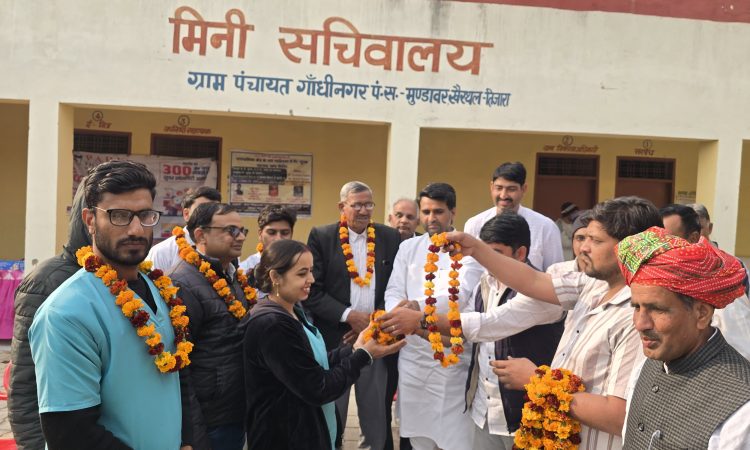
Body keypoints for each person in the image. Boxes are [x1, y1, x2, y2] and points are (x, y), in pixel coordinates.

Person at [384, 196, 661, 450]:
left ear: (630, 248)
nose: (583, 248)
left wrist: (537, 381)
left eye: (595, 241)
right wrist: (475, 249)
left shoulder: (637, 315)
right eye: (583, 237)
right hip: (531, 425)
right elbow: (533, 280)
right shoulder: (592, 285)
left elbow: (620, 415)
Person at [28, 160, 190, 449]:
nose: (136, 229)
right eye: (120, 216)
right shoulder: (66, 313)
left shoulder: (160, 289)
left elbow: (178, 384)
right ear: (90, 220)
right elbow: (71, 434)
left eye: (145, 215)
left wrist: (188, 440)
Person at [244, 239, 406, 450]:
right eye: (302, 273)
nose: (311, 279)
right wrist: (364, 355)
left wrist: (355, 348)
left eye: (311, 271)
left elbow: (311, 362)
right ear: (275, 277)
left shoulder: (291, 311)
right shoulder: (272, 324)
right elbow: (319, 388)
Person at [617, 227, 750, 449]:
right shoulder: (646, 367)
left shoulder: (741, 408)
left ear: (701, 314)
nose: (640, 323)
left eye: (657, 309)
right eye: (637, 307)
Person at [384, 182, 483, 450]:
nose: (431, 218)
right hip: (413, 354)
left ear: (453, 212)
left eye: (438, 211)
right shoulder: (409, 248)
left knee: (456, 436)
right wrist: (397, 313)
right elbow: (394, 289)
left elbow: (459, 295)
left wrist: (415, 308)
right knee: (418, 436)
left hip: (452, 355)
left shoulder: (467, 249)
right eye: (426, 212)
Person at [305, 181, 401, 449]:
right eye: (357, 205)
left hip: (376, 337)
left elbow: (396, 285)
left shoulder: (389, 237)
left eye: (369, 204)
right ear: (342, 206)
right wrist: (349, 316)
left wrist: (372, 323)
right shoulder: (322, 236)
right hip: (337, 339)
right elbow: (313, 291)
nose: (364, 210)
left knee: (375, 412)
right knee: (333, 409)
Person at [464, 212, 564, 450]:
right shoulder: (485, 283)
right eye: (485, 253)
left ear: (520, 253)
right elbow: (464, 329)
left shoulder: (542, 292)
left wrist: (423, 321)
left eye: (496, 253)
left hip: (525, 416)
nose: (489, 261)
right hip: (484, 410)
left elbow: (487, 324)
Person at [9, 180, 92, 450]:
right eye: (118, 214)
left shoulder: (126, 278)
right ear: (88, 218)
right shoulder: (46, 280)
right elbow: (24, 383)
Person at [169, 202, 252, 450]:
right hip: (210, 418)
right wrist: (193, 434)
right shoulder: (183, 283)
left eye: (242, 230)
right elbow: (180, 368)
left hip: (234, 408)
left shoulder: (231, 275)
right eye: (231, 230)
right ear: (200, 235)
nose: (240, 237)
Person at [660, 204, 750, 360]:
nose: (659, 249)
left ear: (693, 238)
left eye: (668, 241)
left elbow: (741, 351)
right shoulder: (656, 281)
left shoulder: (720, 284)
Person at [463, 162, 563, 270]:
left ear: (524, 189)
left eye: (511, 189)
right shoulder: (474, 224)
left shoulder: (546, 227)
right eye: (499, 188)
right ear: (491, 187)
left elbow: (555, 273)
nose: (503, 195)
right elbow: (468, 270)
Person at [147, 186, 221, 271]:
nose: (211, 216)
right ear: (186, 214)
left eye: (216, 211)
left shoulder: (225, 249)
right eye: (203, 210)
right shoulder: (162, 252)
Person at [239, 204, 297, 274]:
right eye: (271, 233)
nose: (278, 239)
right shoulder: (244, 269)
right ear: (260, 234)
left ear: (291, 234)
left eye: (285, 233)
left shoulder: (300, 266)